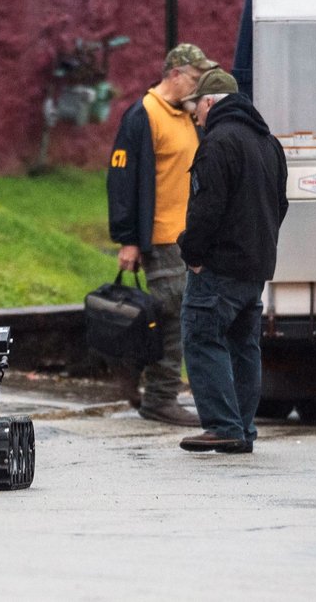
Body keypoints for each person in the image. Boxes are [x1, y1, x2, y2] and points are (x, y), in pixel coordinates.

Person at [106, 43, 218, 427]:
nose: (199, 83)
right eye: (194, 75)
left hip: (186, 238)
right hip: (161, 237)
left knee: (172, 317)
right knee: (174, 318)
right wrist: (128, 239)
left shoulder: (186, 117)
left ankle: (145, 384)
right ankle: (160, 397)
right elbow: (122, 180)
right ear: (174, 73)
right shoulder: (143, 115)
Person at [177, 68, 288, 453]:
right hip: (255, 268)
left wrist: (192, 253)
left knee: (203, 337)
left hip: (218, 268)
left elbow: (206, 208)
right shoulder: (269, 143)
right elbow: (281, 204)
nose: (195, 117)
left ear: (210, 102)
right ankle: (242, 428)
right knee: (244, 346)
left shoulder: (218, 142)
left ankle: (223, 425)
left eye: (197, 109)